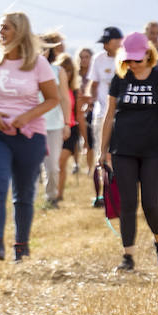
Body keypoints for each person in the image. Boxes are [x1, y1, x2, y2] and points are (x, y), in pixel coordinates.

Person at [0, 12, 60, 262]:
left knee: (24, 193)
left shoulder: (38, 64)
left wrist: (27, 116)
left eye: (6, 28)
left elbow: (54, 98)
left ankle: (21, 246)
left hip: (29, 135)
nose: (1, 32)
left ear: (19, 31)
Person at [98, 32, 158, 271]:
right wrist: (103, 150)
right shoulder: (120, 79)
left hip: (153, 151)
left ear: (148, 55)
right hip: (123, 149)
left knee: (151, 203)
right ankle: (128, 257)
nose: (133, 64)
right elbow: (109, 115)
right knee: (128, 204)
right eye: (128, 60)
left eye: (137, 60)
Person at [37, 32, 73, 208]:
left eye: (44, 49)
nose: (40, 52)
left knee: (52, 167)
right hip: (31, 125)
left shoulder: (58, 71)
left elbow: (65, 98)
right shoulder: (25, 71)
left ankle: (51, 198)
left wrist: (67, 123)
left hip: (54, 125)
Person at [88, 26, 123, 184]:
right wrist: (91, 99)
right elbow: (93, 84)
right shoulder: (98, 59)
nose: (104, 45)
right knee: (101, 153)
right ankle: (104, 188)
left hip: (121, 115)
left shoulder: (127, 59)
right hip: (101, 113)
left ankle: (118, 185)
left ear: (117, 42)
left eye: (107, 42)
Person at [53, 50, 80, 201]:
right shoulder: (51, 90)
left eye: (69, 70)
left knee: (60, 161)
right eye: (64, 69)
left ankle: (58, 194)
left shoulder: (75, 91)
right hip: (55, 128)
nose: (67, 73)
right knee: (57, 164)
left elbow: (79, 115)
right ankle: (57, 193)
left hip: (71, 129)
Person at [75, 46, 95, 174]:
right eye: (81, 57)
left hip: (91, 109)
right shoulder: (75, 75)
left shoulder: (94, 75)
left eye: (86, 57)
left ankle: (89, 167)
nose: (84, 60)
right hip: (76, 110)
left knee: (91, 140)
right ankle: (76, 164)